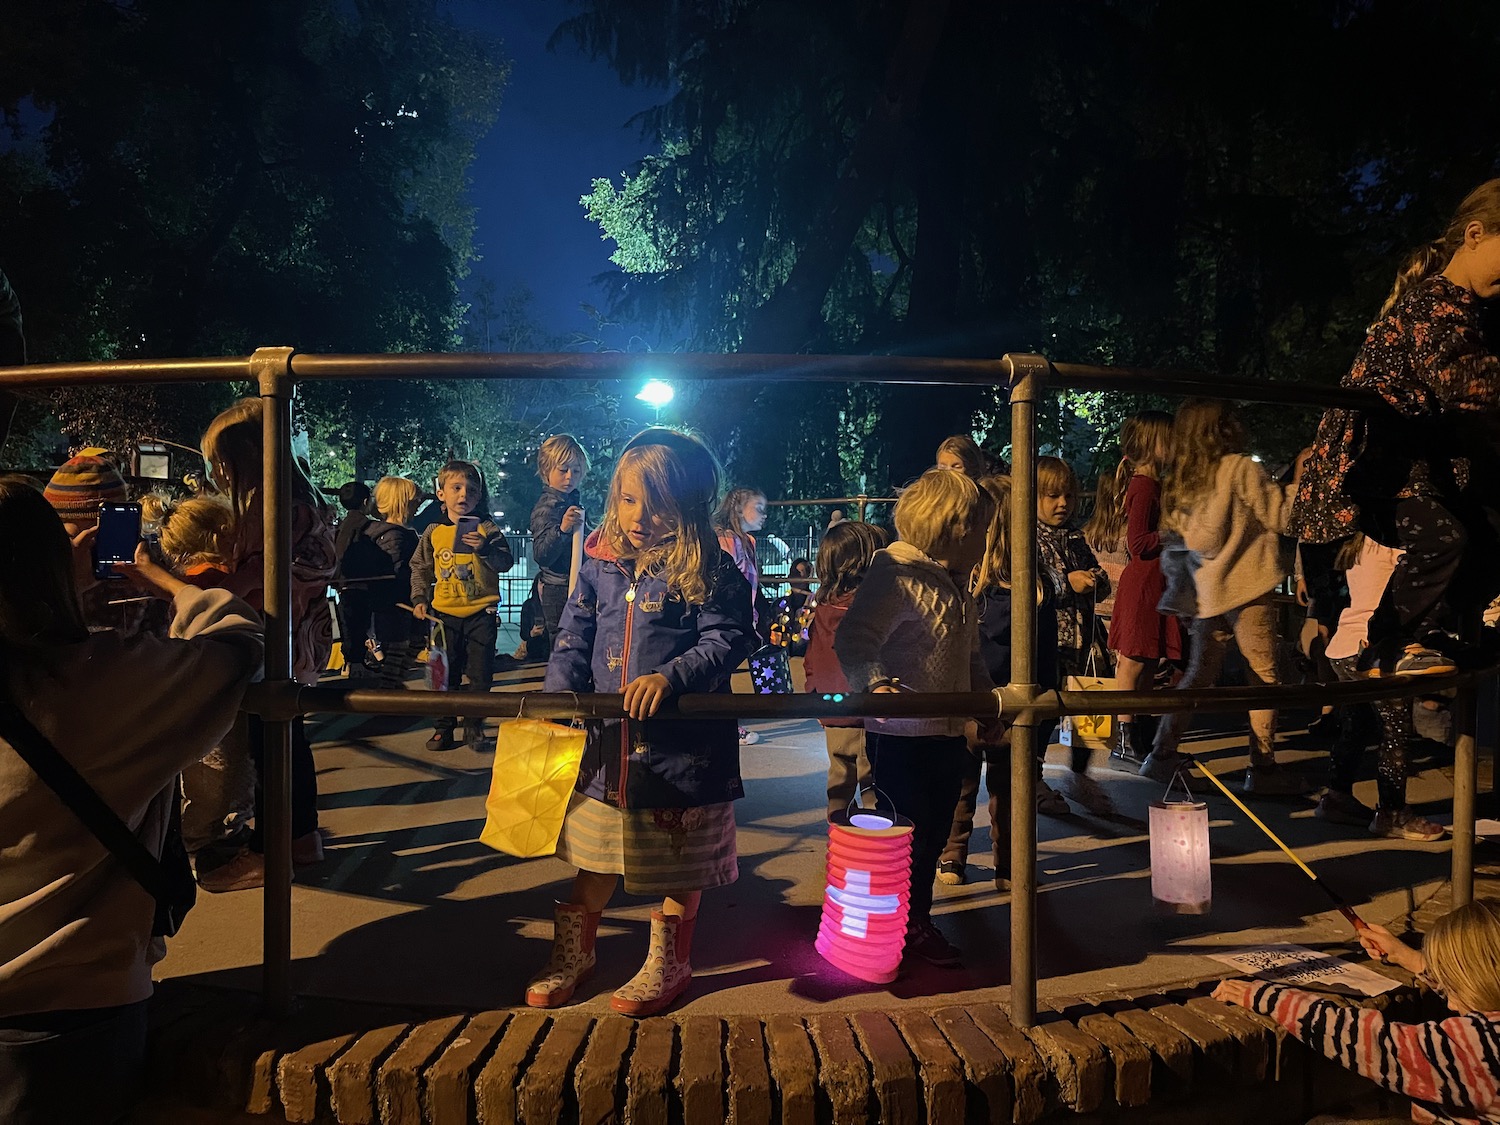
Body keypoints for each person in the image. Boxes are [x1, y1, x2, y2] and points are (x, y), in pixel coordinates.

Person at [0, 476, 263, 1125]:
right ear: (54, 563)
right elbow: (237, 641)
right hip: (73, 1017)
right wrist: (157, 579)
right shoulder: (104, 682)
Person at [528, 428, 755, 1017]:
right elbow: (574, 635)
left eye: (658, 505)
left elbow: (729, 637)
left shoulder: (708, 565)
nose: (640, 516)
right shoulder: (602, 564)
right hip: (609, 751)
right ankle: (576, 953)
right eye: (629, 499)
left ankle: (669, 960)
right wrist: (559, 695)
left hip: (682, 755)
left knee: (676, 863)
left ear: (690, 505)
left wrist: (671, 677)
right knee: (595, 857)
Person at [1291, 179, 1500, 678]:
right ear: (1475, 234)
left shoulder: (1468, 308)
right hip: (1378, 463)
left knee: (1488, 536)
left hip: (1413, 463)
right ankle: (1383, 644)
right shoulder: (1434, 304)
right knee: (1443, 538)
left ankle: (1434, 628)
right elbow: (1461, 380)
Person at [835, 468, 996, 966]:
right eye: (982, 531)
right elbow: (855, 638)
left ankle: (914, 921)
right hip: (902, 733)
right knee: (905, 835)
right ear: (954, 528)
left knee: (931, 832)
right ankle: (897, 925)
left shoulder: (956, 584)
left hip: (947, 731)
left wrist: (984, 703)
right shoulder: (896, 574)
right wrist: (879, 685)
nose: (987, 542)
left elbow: (969, 656)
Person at [1140, 399, 1306, 795]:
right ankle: (1262, 768)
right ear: (1224, 428)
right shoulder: (1241, 468)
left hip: (1207, 592)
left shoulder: (1183, 481)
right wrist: (1300, 481)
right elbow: (1281, 515)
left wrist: (1181, 598)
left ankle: (1161, 755)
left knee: (1198, 677)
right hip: (1248, 586)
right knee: (1263, 677)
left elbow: (1181, 546)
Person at [200, 397, 336, 875]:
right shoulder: (303, 502)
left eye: (220, 462)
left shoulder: (274, 506)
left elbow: (254, 575)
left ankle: (268, 850)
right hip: (299, 637)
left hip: (275, 638)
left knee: (270, 742)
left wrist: (196, 585)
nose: (218, 473)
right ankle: (301, 837)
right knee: (288, 738)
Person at [1214, 899, 1500, 1124]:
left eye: (1453, 987)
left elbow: (1373, 1042)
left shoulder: (1478, 1048)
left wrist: (1266, 996)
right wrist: (1408, 957)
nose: (1449, 1004)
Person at [939, 474, 1060, 889]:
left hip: (976, 703)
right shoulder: (1037, 589)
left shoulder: (959, 584)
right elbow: (1048, 664)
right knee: (1004, 792)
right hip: (1009, 705)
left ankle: (954, 854)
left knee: (963, 784)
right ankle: (1006, 864)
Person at [145, 494, 263, 891]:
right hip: (221, 692)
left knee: (210, 772)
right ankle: (211, 853)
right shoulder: (212, 576)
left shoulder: (185, 579)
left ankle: (214, 840)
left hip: (201, 693)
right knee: (219, 771)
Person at [1318, 533, 1446, 840]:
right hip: (1374, 648)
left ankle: (1336, 796)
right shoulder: (1395, 542)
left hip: (1344, 645)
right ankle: (1392, 813)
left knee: (1356, 726)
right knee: (1394, 730)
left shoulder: (1360, 541)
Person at [1088, 412, 1181, 763]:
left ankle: (1136, 734)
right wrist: (1176, 533)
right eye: (1167, 439)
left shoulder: (1151, 484)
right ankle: (1124, 735)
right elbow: (1139, 542)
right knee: (1133, 661)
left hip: (1153, 582)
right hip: (1143, 583)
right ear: (1150, 444)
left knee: (1145, 660)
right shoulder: (1143, 486)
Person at [409, 460, 514, 751]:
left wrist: (485, 548)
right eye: (455, 488)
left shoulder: (488, 528)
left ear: (479, 496)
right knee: (443, 675)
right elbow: (419, 568)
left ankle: (473, 726)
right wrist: (419, 599)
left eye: (471, 489)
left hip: (482, 614)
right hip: (443, 616)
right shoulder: (432, 532)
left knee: (481, 674)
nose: (463, 494)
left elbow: (505, 563)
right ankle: (443, 728)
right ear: (441, 493)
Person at [1035, 455, 1111, 812]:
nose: (1062, 503)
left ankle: (1081, 774)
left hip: (1084, 640)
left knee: (1086, 709)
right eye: (1052, 495)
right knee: (1045, 712)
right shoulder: (1027, 538)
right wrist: (1068, 584)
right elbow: (1031, 589)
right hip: (1051, 639)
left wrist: (1096, 581)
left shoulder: (1075, 536)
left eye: (1067, 495)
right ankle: (1032, 778)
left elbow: (1099, 576)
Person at [803, 523, 880, 818]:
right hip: (871, 712)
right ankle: (876, 849)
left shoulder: (824, 607)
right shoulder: (871, 607)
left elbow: (813, 657)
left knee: (839, 785)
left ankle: (841, 844)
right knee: (875, 787)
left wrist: (815, 696)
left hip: (833, 709)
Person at [42, 448, 150, 637]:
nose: (87, 547)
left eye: (101, 536)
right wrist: (70, 585)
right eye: (71, 538)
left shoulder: (142, 569)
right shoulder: (33, 581)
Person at [715, 486, 769, 743]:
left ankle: (727, 725)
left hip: (743, 619)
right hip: (727, 620)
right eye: (758, 508)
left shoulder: (748, 542)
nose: (764, 514)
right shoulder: (725, 541)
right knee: (721, 674)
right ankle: (728, 727)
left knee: (725, 673)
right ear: (738, 509)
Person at [528, 434, 590, 654]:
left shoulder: (571, 501)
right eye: (563, 470)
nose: (570, 477)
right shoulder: (547, 507)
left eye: (576, 470)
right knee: (563, 645)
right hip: (557, 588)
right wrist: (562, 529)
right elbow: (542, 554)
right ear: (547, 471)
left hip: (573, 583)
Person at [369, 476, 421, 688]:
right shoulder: (396, 536)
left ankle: (392, 687)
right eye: (414, 501)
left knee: (403, 646)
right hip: (400, 601)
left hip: (391, 601)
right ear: (402, 502)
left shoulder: (378, 532)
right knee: (402, 647)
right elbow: (398, 569)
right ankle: (390, 691)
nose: (418, 505)